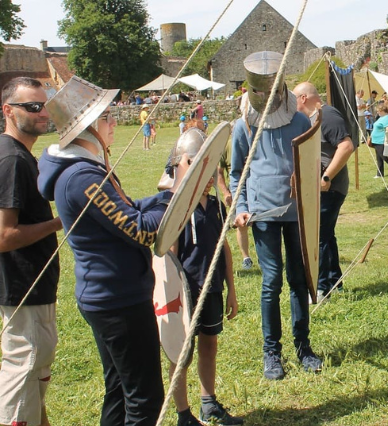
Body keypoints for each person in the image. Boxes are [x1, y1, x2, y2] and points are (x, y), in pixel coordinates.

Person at [37, 76, 186, 426]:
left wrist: (163, 197)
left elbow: (128, 209)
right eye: (107, 117)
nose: (114, 123)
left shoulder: (85, 170)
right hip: (117, 300)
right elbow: (141, 229)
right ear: (87, 129)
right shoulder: (82, 177)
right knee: (144, 399)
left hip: (111, 295)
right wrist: (177, 192)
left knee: (120, 390)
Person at [229, 51, 322, 381]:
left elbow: (312, 161)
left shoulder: (299, 121)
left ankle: (303, 347)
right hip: (263, 213)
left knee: (299, 280)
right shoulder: (243, 126)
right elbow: (237, 172)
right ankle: (272, 353)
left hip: (295, 213)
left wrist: (307, 177)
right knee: (272, 281)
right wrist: (240, 208)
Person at [166, 128, 243, 426]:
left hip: (212, 289)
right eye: (203, 170)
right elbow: (168, 258)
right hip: (186, 292)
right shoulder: (177, 208)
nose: (210, 177)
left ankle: (208, 402)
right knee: (181, 353)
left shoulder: (213, 207)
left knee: (209, 344)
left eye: (212, 171)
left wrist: (232, 290)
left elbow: (224, 247)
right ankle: (183, 413)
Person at [0, 77, 62, 426]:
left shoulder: (18, 154)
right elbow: (4, 236)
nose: (43, 113)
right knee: (22, 368)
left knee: (35, 369)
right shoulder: (11, 160)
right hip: (23, 287)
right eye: (33, 106)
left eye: (44, 105)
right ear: (8, 111)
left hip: (34, 287)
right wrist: (58, 223)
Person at [292, 82, 355, 299]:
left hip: (331, 187)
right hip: (322, 187)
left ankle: (321, 288)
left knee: (318, 235)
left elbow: (346, 146)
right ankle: (334, 281)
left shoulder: (327, 115)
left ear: (303, 98)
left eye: (294, 99)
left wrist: (326, 176)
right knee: (326, 235)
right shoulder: (313, 119)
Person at [216, 127, 253, 271]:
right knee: (241, 223)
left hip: (256, 186)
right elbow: (219, 173)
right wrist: (226, 192)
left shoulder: (253, 140)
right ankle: (246, 258)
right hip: (237, 188)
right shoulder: (225, 146)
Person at [369, 104, 388, 178]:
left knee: (385, 157)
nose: (377, 113)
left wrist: (386, 140)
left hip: (381, 140)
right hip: (375, 141)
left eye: (378, 111)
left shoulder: (387, 117)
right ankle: (379, 174)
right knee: (379, 158)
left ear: (382, 110)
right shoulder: (380, 118)